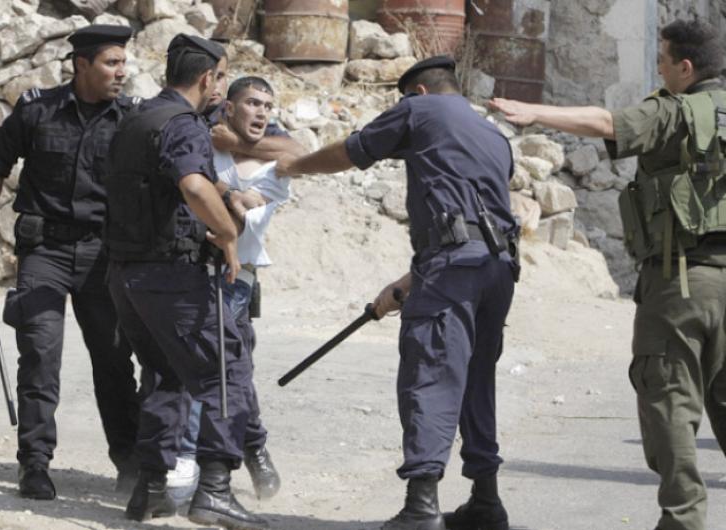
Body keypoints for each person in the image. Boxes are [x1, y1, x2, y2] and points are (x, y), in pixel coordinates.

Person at [489, 18, 726, 530]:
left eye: (663, 62)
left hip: (681, 280)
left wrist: (534, 111)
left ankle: (683, 520)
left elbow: (605, 122)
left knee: (669, 398)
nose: (659, 71)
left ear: (686, 68)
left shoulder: (674, 111)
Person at [277, 55, 519, 530]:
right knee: (475, 378)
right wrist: (408, 283)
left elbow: (352, 152)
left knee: (431, 374)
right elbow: (479, 222)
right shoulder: (492, 134)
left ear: (420, 92)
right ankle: (486, 501)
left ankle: (421, 508)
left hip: (452, 269)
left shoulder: (419, 109)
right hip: (496, 270)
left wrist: (295, 166)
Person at [0, 25, 141, 500]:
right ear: (81, 65)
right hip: (45, 252)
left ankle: (130, 463)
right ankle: (35, 464)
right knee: (40, 356)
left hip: (103, 256)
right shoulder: (37, 110)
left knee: (114, 359)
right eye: (111, 63)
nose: (121, 72)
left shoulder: (131, 119)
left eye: (123, 63)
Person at [104, 34, 269, 530]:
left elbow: (177, 175)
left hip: (125, 275)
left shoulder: (138, 117)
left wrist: (227, 194)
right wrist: (227, 234)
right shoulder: (184, 123)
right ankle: (215, 489)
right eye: (222, 77)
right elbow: (192, 183)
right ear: (206, 78)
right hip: (171, 275)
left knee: (166, 374)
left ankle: (150, 490)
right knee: (228, 370)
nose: (221, 85)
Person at [167, 76, 305, 504]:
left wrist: (221, 190)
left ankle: (193, 457)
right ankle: (252, 446)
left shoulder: (274, 169)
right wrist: (232, 193)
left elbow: (239, 222)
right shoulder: (204, 142)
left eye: (268, 105)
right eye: (252, 103)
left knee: (217, 367)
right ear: (228, 107)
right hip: (186, 269)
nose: (261, 112)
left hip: (234, 278)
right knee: (225, 368)